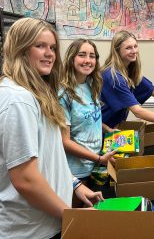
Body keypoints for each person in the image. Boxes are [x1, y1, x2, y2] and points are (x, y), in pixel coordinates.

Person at [0, 18, 104, 239]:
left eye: (53, 48)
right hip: (29, 230)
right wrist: (73, 215)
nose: (49, 54)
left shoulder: (39, 94)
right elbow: (25, 179)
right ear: (20, 48)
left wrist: (74, 185)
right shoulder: (18, 99)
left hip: (48, 223)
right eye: (40, 46)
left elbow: (51, 155)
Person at [59, 39, 116, 206]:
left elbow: (89, 117)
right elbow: (64, 141)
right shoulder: (63, 94)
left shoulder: (91, 84)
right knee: (76, 219)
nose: (88, 60)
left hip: (94, 166)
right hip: (75, 172)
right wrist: (99, 158)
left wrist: (106, 129)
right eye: (82, 55)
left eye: (92, 56)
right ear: (71, 58)